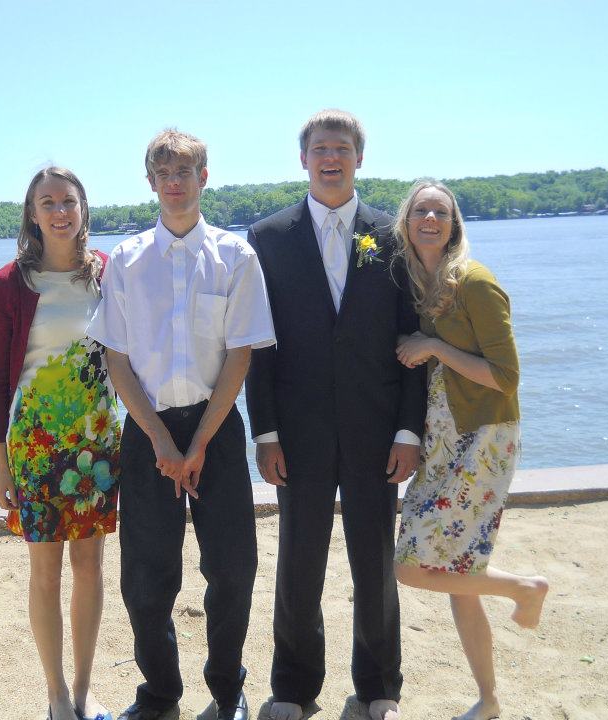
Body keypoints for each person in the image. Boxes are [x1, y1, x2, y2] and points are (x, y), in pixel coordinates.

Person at [88, 129, 275, 720]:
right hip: (147, 432)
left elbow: (240, 355)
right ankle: (161, 693)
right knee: (146, 575)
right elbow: (116, 358)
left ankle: (227, 689)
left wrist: (197, 444)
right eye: (164, 173)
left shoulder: (235, 257)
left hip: (215, 428)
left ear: (204, 178)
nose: (175, 183)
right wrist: (163, 442)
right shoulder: (126, 261)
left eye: (185, 172)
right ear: (150, 183)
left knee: (232, 569)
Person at [244, 109, 426, 720]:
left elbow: (411, 338)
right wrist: (266, 432)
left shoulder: (393, 236)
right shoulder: (268, 238)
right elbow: (259, 346)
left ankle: (378, 688)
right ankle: (294, 689)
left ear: (359, 158)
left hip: (378, 429)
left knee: (375, 563)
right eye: (320, 148)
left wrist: (408, 429)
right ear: (304, 159)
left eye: (342, 148)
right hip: (298, 433)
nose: (331, 157)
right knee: (299, 562)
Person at [392, 180, 550, 720]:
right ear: (407, 222)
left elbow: (506, 376)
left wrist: (434, 346)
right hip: (442, 441)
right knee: (460, 576)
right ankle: (488, 699)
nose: (430, 219)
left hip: (483, 438)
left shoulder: (475, 282)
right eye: (421, 210)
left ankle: (525, 588)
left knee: (411, 567)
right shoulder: (418, 283)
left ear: (454, 224)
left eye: (441, 211)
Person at [0, 167, 118, 720]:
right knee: (45, 571)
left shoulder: (108, 273)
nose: (60, 212)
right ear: (32, 214)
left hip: (97, 443)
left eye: (68, 201)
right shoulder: (8, 284)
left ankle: (84, 693)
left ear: (83, 209)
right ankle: (56, 696)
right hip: (36, 445)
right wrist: (1, 464)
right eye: (48, 203)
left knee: (90, 567)